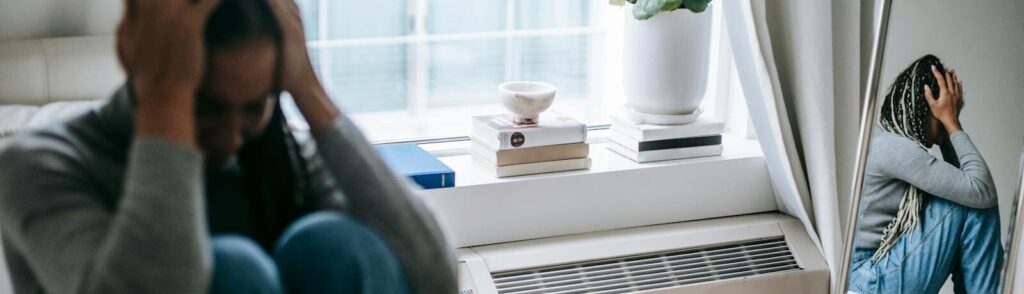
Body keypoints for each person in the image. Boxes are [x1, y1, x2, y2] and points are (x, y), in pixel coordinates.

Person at [0, 0, 456, 293]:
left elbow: (434, 278)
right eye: (205, 106)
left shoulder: (281, 156)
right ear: (131, 51)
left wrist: (309, 93)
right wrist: (167, 95)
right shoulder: (37, 164)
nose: (230, 139)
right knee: (233, 270)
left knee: (335, 244)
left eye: (253, 107)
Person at [848, 54, 1002, 293]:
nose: (946, 116)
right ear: (927, 106)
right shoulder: (895, 149)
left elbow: (969, 185)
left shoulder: (886, 139)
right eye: (942, 111)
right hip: (866, 281)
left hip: (867, 276)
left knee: (970, 200)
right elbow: (981, 190)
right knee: (972, 205)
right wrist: (952, 125)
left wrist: (946, 133)